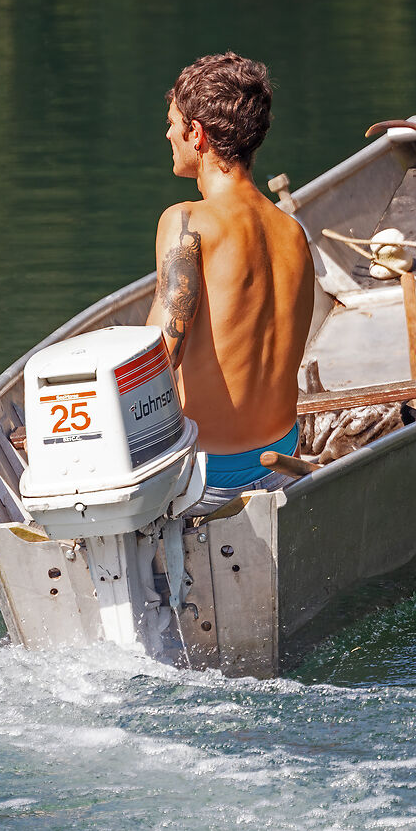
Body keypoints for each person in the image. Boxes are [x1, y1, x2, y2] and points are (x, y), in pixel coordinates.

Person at [147, 52, 316, 508]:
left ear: (196, 135)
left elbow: (156, 358)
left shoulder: (186, 222)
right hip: (283, 460)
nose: (167, 134)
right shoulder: (292, 232)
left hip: (206, 480)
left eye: (172, 123)